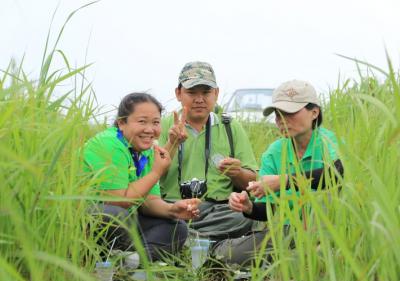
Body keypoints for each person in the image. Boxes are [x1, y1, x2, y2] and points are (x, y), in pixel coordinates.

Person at [212, 79, 344, 266]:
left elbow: (337, 173)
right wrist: (249, 207)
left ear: (314, 112)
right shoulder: (274, 153)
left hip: (327, 229)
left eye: (290, 113)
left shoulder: (329, 141)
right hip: (290, 231)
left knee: (325, 199)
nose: (282, 120)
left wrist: (285, 181)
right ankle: (301, 258)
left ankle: (314, 255)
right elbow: (269, 209)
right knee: (228, 255)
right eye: (278, 114)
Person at [83, 92, 200, 261]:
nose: (149, 129)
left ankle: (130, 260)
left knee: (178, 228)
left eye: (156, 123)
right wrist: (155, 172)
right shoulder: (109, 144)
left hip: (125, 221)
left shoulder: (145, 150)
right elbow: (118, 201)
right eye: (142, 121)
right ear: (122, 123)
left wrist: (172, 209)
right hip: (90, 218)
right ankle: (103, 257)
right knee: (115, 216)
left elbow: (149, 201)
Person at [159, 61, 258, 241]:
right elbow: (148, 176)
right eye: (191, 93)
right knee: (152, 216)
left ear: (216, 93)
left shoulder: (230, 127)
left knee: (242, 218)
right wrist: (171, 144)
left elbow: (253, 182)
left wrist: (237, 173)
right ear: (178, 93)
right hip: (174, 207)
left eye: (206, 92)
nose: (199, 99)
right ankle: (201, 241)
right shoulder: (163, 125)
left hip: (218, 209)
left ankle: (184, 240)